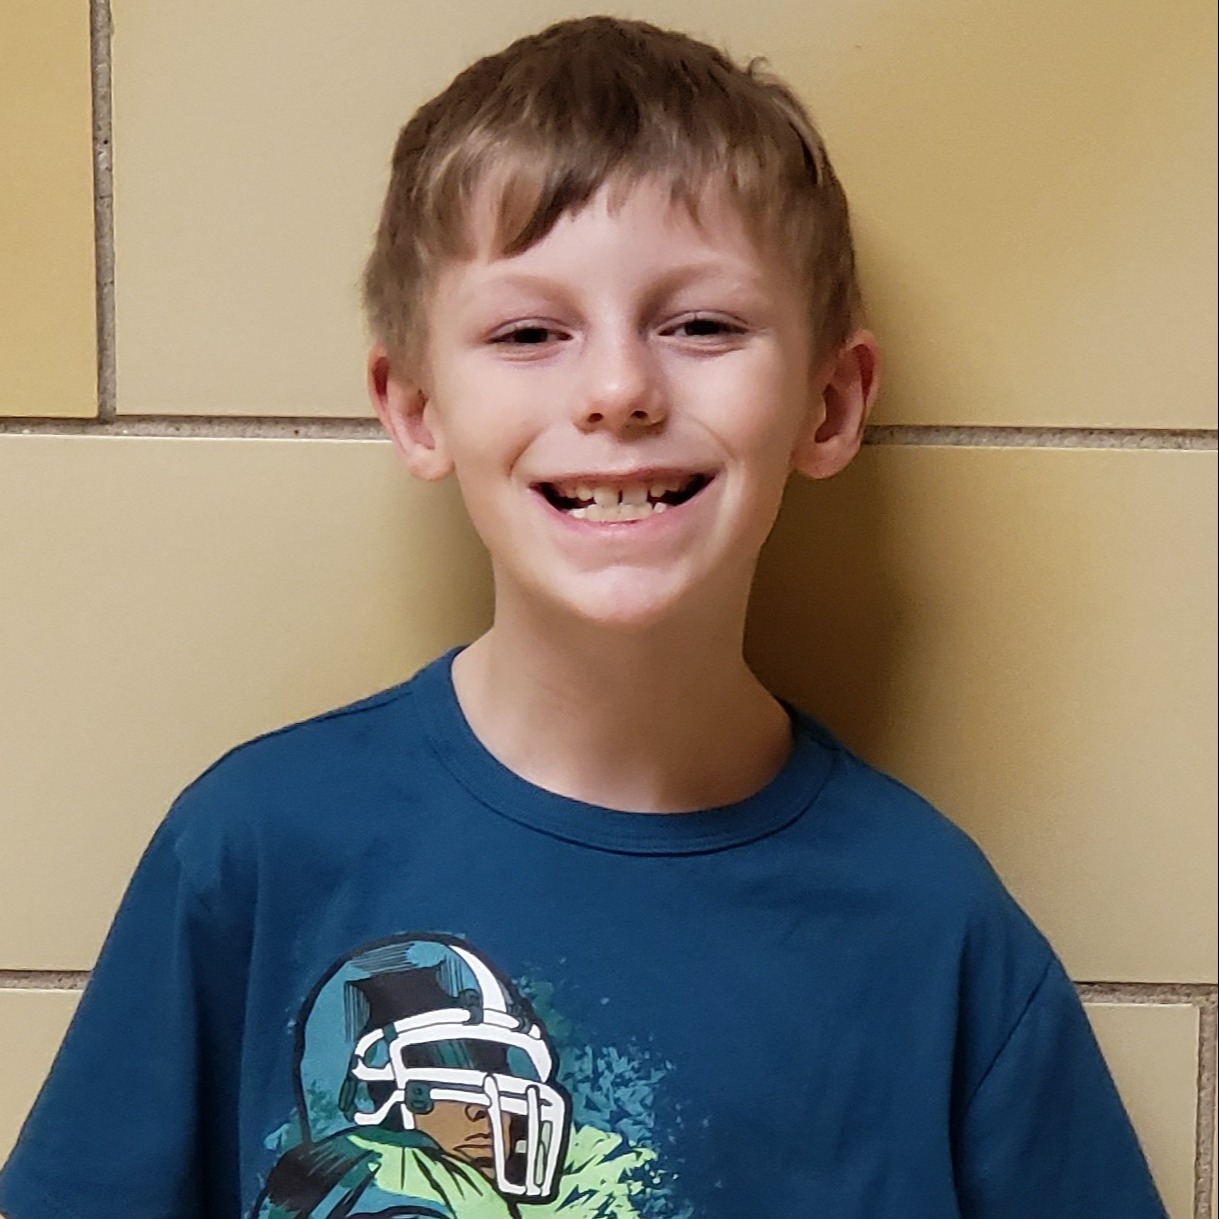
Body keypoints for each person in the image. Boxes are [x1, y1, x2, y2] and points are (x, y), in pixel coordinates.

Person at [0, 15, 1166, 1218]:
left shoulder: (934, 930)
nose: (617, 390)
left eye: (701, 324)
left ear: (827, 403)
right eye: (529, 332)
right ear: (414, 407)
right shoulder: (252, 852)